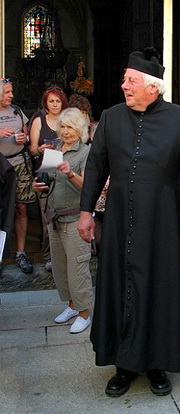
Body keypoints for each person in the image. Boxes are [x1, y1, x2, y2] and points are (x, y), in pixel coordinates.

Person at [77, 47, 180, 397]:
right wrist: (85, 211)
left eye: (131, 80)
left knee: (160, 288)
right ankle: (123, 365)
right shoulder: (111, 117)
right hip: (120, 219)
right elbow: (95, 167)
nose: (124, 85)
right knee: (120, 286)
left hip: (165, 221)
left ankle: (157, 364)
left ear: (153, 87)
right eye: (124, 79)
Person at [32, 108, 93, 334]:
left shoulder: (86, 152)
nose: (66, 132)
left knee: (77, 267)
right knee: (60, 268)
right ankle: (71, 306)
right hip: (54, 217)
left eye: (71, 127)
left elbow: (88, 188)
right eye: (63, 127)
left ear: (80, 130)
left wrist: (70, 174)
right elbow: (46, 182)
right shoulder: (55, 150)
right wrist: (37, 186)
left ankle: (85, 313)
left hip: (75, 218)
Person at [29, 85, 68, 271]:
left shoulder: (67, 119)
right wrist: (40, 149)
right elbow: (32, 148)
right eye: (51, 101)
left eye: (58, 101)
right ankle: (48, 256)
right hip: (44, 171)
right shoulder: (39, 120)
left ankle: (63, 256)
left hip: (64, 170)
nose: (54, 104)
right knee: (47, 219)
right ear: (46, 102)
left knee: (64, 215)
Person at [0, 78, 36, 273]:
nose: (11, 95)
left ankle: (21, 253)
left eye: (11, 91)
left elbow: (28, 135)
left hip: (20, 163)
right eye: (7, 92)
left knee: (21, 208)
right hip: (1, 166)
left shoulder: (16, 111)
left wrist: (25, 137)